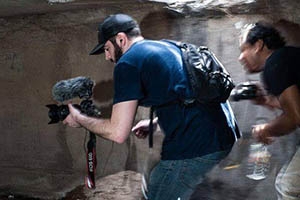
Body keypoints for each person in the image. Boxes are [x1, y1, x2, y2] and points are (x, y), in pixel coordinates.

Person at [63, 13, 239, 200]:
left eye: (107, 48)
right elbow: (187, 93)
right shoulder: (166, 46)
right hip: (224, 133)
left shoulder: (128, 63)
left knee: (159, 191)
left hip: (196, 146)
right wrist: (155, 122)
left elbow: (117, 133)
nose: (107, 57)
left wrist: (79, 119)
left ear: (121, 39)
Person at [239, 22, 300, 200]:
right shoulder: (289, 57)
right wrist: (266, 101)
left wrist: (266, 129)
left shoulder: (275, 62)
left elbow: (295, 117)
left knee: (287, 186)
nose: (240, 57)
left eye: (243, 49)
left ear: (258, 46)